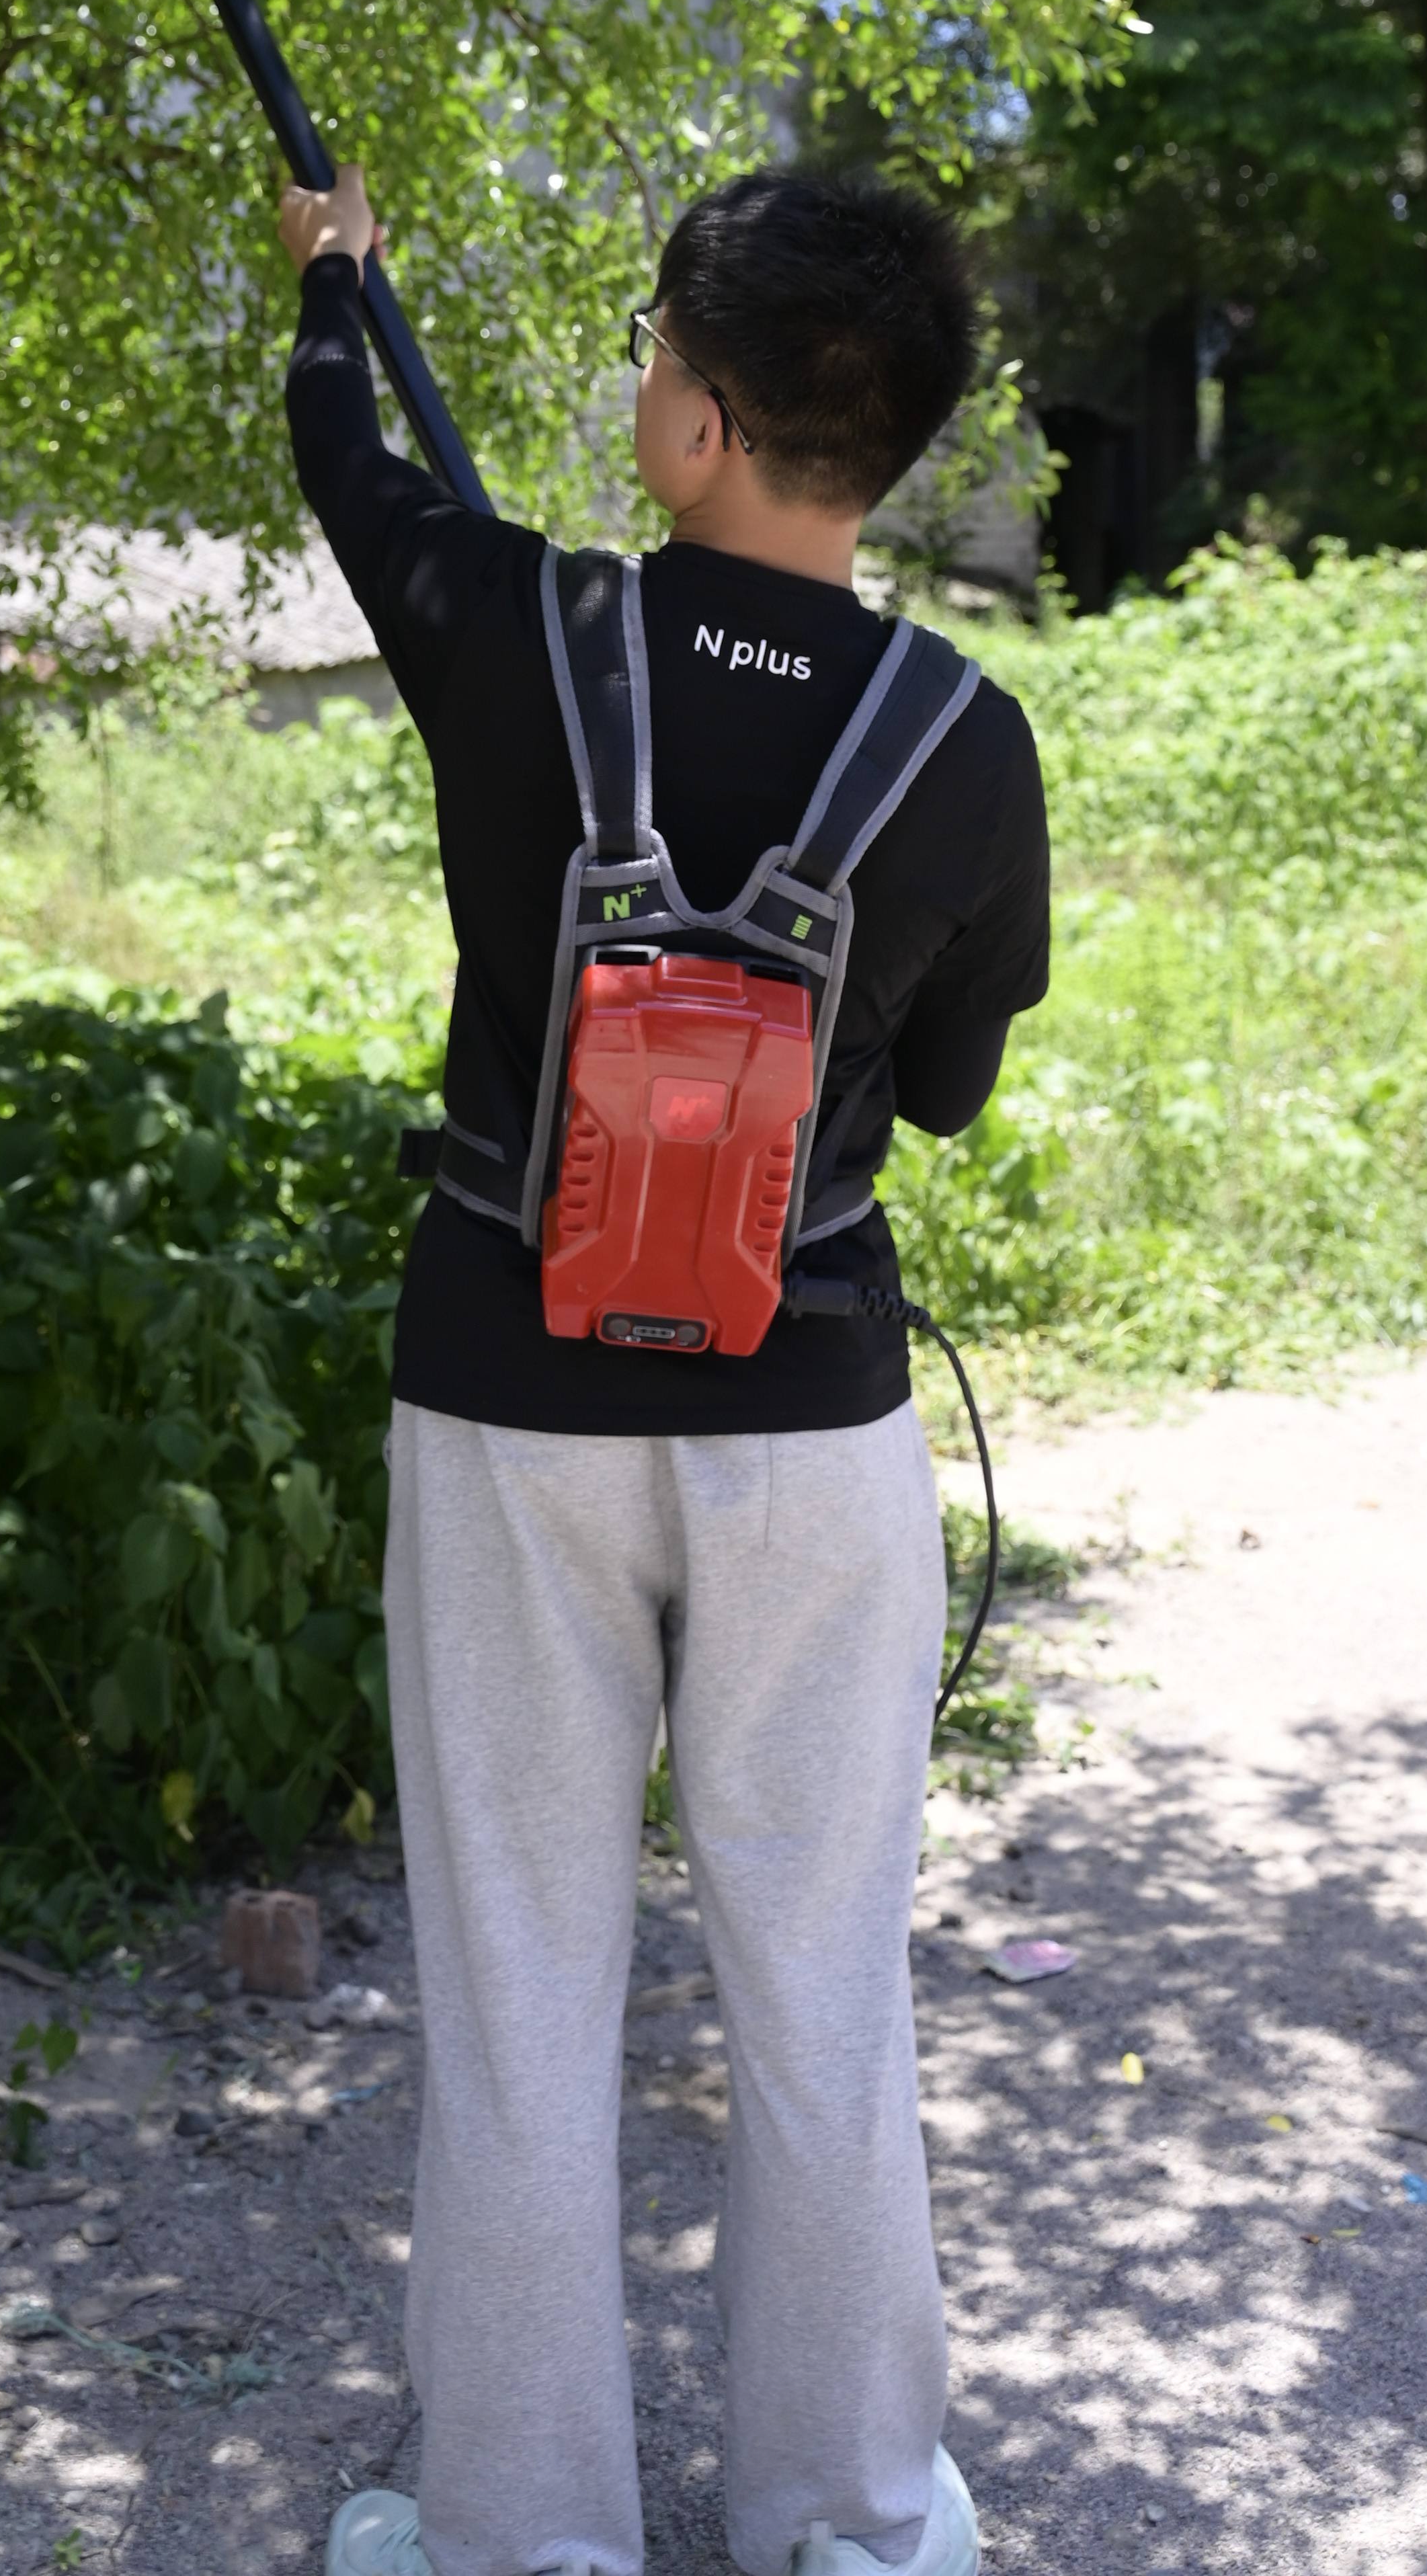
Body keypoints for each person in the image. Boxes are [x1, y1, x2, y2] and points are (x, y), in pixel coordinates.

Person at [278, 161, 1049, 2576]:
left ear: (698, 420)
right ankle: (850, 2521)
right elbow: (937, 1092)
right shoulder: (964, 737)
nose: (635, 384)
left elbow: (359, 480)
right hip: (808, 1426)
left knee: (520, 1974)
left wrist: (340, 290)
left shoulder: (520, 631)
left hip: (506, 1399)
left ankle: (524, 2538)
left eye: (647, 354)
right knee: (824, 1983)